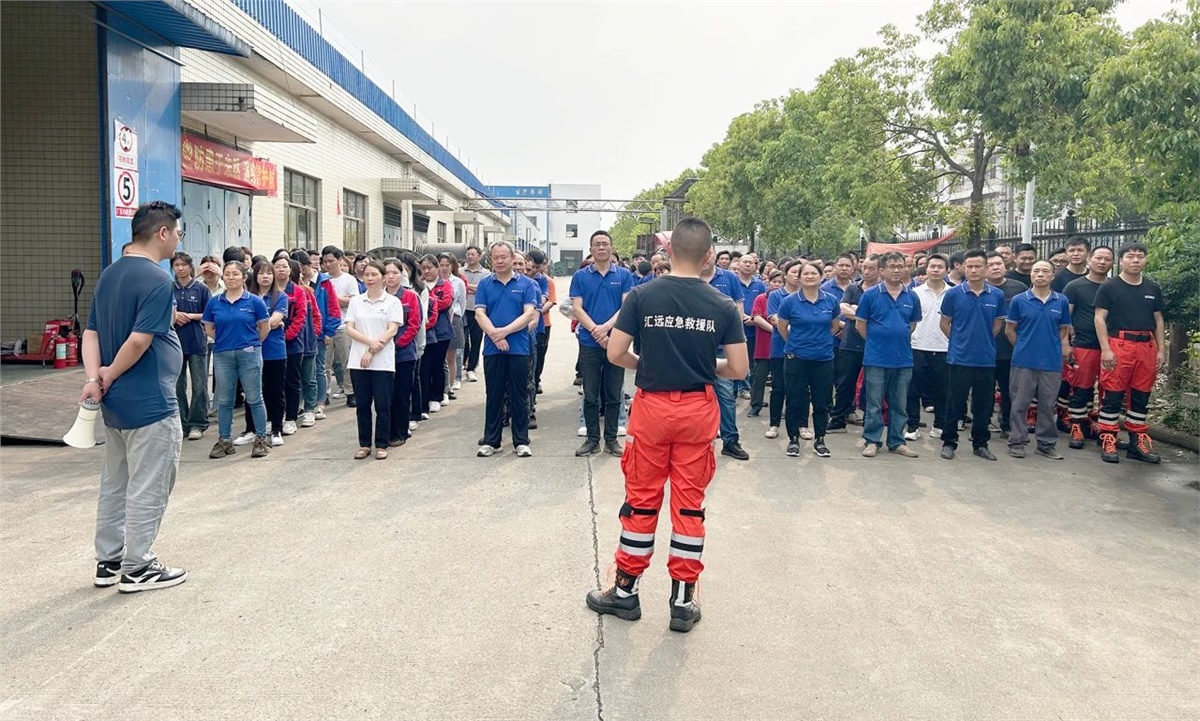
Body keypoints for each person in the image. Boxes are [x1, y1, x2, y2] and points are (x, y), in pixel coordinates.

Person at [585, 217, 747, 634]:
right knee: (689, 505)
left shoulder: (642, 295)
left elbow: (616, 353)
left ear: (669, 250)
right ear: (709, 256)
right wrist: (703, 366)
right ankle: (682, 601)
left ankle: (625, 591)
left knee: (641, 500)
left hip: (652, 409)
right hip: (698, 409)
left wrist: (648, 364)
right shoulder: (722, 305)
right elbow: (739, 368)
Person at [83, 201, 187, 593]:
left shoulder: (110, 274)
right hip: (151, 402)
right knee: (149, 485)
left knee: (115, 484)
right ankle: (139, 566)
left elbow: (91, 333)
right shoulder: (158, 279)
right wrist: (111, 371)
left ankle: (109, 561)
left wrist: (95, 378)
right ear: (162, 233)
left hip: (115, 404)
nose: (177, 241)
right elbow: (140, 340)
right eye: (177, 233)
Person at [1093, 243, 1165, 464]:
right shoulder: (1110, 287)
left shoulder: (1152, 288)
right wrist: (1106, 349)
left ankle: (1137, 443)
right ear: (1121, 260)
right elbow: (1099, 318)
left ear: (1145, 260)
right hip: (1119, 344)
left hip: (1146, 347)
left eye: (1140, 256)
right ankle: (1108, 438)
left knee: (1141, 395)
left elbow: (1158, 320)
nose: (1135, 260)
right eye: (1130, 256)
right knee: (1113, 394)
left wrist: (1161, 350)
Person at [939, 249, 1007, 461]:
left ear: (986, 268)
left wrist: (982, 341)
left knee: (983, 405)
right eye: (970, 266)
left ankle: (980, 443)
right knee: (955, 402)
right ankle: (949, 442)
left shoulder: (996, 295)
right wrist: (959, 341)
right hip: (959, 358)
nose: (974, 270)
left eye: (978, 266)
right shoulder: (953, 294)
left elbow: (997, 325)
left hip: (986, 359)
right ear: (963, 268)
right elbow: (944, 323)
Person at [571, 231, 634, 457]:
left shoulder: (624, 275)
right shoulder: (580, 276)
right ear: (591, 249)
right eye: (596, 244)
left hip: (616, 343)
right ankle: (592, 439)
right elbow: (577, 308)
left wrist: (605, 328)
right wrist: (596, 332)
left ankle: (611, 440)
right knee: (590, 394)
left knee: (614, 393)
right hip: (589, 343)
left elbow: (626, 306)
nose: (601, 248)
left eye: (605, 244)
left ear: (611, 247)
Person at [854, 252, 923, 458]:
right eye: (892, 267)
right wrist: (877, 342)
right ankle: (872, 440)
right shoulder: (870, 295)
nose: (896, 270)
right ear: (882, 271)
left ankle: (897, 441)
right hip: (876, 358)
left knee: (899, 404)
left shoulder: (912, 296)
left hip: (903, 359)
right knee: (874, 403)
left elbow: (912, 324)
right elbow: (860, 325)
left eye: (900, 266)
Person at [474, 241, 539, 457]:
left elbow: (528, 314)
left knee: (519, 395)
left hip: (519, 348)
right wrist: (495, 334)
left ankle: (521, 441)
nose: (500, 261)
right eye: (495, 258)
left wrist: (504, 332)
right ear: (490, 260)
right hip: (493, 349)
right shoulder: (485, 284)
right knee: (494, 395)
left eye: (504, 257)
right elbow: (480, 314)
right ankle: (492, 441)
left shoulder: (526, 284)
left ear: (512, 259)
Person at [204, 261, 271, 460]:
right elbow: (209, 328)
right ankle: (225, 440)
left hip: (249, 354)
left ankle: (261, 438)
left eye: (235, 274)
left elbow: (264, 328)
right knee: (225, 400)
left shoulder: (254, 302)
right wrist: (227, 341)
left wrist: (250, 343)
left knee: (254, 397)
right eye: (227, 274)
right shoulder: (214, 302)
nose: (231, 277)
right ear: (222, 276)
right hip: (223, 355)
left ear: (244, 277)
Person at [1005, 260, 1072, 459]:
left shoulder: (1061, 301)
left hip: (1051, 362)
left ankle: (1046, 444)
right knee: (1019, 404)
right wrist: (1023, 346)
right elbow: (1010, 329)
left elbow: (1063, 329)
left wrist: (1050, 345)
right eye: (1036, 271)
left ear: (1052, 276)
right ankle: (1017, 442)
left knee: (1048, 405)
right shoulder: (1019, 300)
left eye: (1045, 271)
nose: (1040, 275)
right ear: (1031, 275)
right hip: (1023, 361)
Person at [775, 262, 839, 458]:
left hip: (823, 358)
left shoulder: (831, 300)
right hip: (796, 357)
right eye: (806, 274)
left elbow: (835, 327)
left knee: (822, 401)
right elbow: (782, 328)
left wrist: (819, 341)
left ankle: (820, 439)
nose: (810, 276)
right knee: (794, 399)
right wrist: (797, 343)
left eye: (814, 273)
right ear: (799, 278)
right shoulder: (789, 301)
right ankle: (793, 439)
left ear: (821, 277)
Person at [344, 260, 403, 460]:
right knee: (362, 405)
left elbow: (392, 329)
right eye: (366, 275)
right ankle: (364, 444)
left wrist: (372, 350)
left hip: (383, 361)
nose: (369, 278)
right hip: (358, 361)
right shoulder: (356, 301)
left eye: (374, 275)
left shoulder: (392, 302)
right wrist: (370, 343)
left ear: (383, 277)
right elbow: (350, 328)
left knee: (383, 405)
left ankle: (382, 443)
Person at [1063, 246, 1115, 448]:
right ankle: (1076, 426)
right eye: (1098, 258)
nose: (1102, 262)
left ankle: (1104, 429)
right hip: (1084, 344)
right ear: (1090, 259)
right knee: (1081, 387)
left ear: (1112, 263)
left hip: (1111, 346)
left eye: (1107, 259)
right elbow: (1064, 318)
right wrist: (1065, 344)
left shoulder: (1114, 287)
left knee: (1109, 389)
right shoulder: (1075, 286)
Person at [701, 255, 750, 460]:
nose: (706, 257)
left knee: (725, 395)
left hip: (721, 347)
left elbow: (738, 311)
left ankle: (730, 441)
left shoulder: (729, 278)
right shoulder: (689, 276)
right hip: (694, 348)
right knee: (694, 396)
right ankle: (699, 441)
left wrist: (735, 340)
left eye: (709, 252)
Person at [828, 254, 880, 432]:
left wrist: (857, 311)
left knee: (872, 385)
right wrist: (866, 316)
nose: (866, 271)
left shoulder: (882, 290)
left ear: (880, 270)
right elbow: (842, 308)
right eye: (864, 268)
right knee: (844, 383)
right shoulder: (853, 287)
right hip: (850, 343)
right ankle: (838, 419)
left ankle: (871, 422)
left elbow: (882, 315)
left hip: (874, 345)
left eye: (871, 268)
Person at [239, 260, 287, 447]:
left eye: (269, 273)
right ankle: (251, 429)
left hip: (274, 351)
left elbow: (274, 321)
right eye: (261, 273)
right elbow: (244, 322)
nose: (265, 276)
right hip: (249, 350)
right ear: (255, 276)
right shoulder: (246, 297)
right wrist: (267, 323)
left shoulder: (280, 297)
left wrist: (262, 322)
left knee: (275, 391)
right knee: (251, 392)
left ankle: (276, 429)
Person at [906, 253, 951, 439]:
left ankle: (939, 425)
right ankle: (912, 426)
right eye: (932, 266)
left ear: (947, 270)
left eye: (940, 267)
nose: (935, 270)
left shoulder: (953, 293)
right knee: (912, 390)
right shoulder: (914, 293)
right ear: (926, 269)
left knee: (942, 390)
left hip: (944, 347)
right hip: (917, 346)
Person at [987, 251, 1029, 436]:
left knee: (1010, 390)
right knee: (985, 390)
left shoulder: (1019, 288)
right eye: (990, 265)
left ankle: (1007, 424)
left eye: (998, 263)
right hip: (986, 349)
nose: (995, 267)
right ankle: (984, 422)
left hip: (1011, 348)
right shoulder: (979, 289)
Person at [171, 252, 210, 441]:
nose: (180, 268)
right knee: (177, 386)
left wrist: (191, 316)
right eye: (176, 265)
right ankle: (182, 423)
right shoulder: (168, 288)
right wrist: (175, 315)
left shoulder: (201, 289)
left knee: (199, 385)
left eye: (183, 265)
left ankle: (197, 423)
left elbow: (210, 314)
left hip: (197, 342)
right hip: (174, 344)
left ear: (190, 266)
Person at [384, 257, 423, 447]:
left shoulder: (410, 296)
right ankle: (385, 430)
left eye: (395, 272)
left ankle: (400, 431)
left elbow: (414, 325)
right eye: (387, 273)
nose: (391, 276)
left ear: (402, 275)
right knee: (385, 395)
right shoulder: (377, 297)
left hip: (403, 354)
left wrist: (396, 345)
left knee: (401, 394)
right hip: (380, 354)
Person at [764, 260, 801, 440]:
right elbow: (774, 319)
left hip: (803, 350)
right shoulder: (776, 295)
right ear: (785, 274)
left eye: (800, 272)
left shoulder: (807, 296)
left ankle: (801, 425)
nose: (797, 276)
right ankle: (774, 424)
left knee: (801, 388)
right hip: (780, 348)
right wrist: (798, 330)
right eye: (793, 272)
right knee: (778, 387)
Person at [320, 246, 359, 406]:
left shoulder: (349, 279)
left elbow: (354, 301)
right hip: (326, 327)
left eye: (331, 261)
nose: (328, 264)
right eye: (325, 261)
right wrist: (341, 299)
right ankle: (324, 392)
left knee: (347, 361)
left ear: (339, 260)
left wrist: (333, 298)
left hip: (345, 325)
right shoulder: (321, 279)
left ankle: (350, 392)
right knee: (324, 363)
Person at [419, 255, 454, 414]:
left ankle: (436, 397)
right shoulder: (418, 285)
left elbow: (446, 302)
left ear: (437, 268)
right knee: (424, 367)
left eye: (430, 267)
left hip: (441, 331)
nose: (427, 271)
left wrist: (427, 302)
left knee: (437, 365)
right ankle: (424, 398)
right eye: (423, 268)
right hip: (423, 331)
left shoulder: (445, 284)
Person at [310, 253, 342, 421]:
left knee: (320, 368)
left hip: (320, 334)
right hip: (301, 336)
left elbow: (334, 310)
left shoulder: (324, 283)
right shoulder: (295, 283)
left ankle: (320, 402)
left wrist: (329, 332)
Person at [748, 270, 783, 417]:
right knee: (759, 377)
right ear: (768, 282)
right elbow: (756, 318)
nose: (777, 284)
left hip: (781, 346)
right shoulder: (761, 298)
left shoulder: (786, 299)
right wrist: (775, 330)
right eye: (774, 281)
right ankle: (755, 405)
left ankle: (780, 408)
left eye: (780, 282)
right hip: (763, 344)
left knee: (780, 379)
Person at [735, 254, 767, 398]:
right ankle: (737, 388)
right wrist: (741, 316)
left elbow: (763, 304)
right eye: (745, 262)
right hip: (736, 327)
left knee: (752, 361)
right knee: (736, 359)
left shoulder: (760, 285)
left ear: (755, 266)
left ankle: (747, 388)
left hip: (755, 328)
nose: (748, 265)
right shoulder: (733, 281)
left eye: (751, 263)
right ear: (738, 264)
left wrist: (754, 318)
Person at [439, 253, 467, 397]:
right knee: (440, 356)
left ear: (452, 266)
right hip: (438, 318)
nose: (444, 268)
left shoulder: (458, 282)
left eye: (447, 265)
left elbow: (462, 303)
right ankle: (440, 387)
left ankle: (450, 386)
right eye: (441, 265)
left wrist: (456, 316)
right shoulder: (433, 281)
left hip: (454, 318)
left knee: (451, 355)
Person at [461, 245, 489, 382]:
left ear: (479, 256)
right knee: (463, 340)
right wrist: (473, 288)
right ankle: (463, 363)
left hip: (478, 311)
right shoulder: (460, 271)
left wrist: (466, 287)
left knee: (476, 340)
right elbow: (459, 287)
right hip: (463, 311)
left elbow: (482, 289)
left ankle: (471, 368)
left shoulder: (485, 273)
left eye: (472, 254)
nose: (470, 256)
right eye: (468, 254)